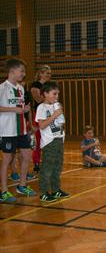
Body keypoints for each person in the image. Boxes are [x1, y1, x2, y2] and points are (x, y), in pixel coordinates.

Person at [0, 58, 37, 202]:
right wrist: (13, 109)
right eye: (21, 71)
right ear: (12, 71)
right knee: (7, 159)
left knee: (27, 156)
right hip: (8, 131)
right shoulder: (2, 88)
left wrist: (24, 110)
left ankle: (22, 186)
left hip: (21, 130)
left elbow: (20, 109)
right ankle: (3, 191)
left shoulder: (21, 89)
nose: (23, 73)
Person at [35, 81, 70, 203]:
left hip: (59, 139)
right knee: (47, 168)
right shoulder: (41, 107)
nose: (56, 96)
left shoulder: (57, 105)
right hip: (49, 142)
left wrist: (58, 114)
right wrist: (55, 115)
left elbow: (61, 123)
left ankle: (55, 190)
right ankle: (44, 192)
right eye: (54, 93)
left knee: (57, 167)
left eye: (57, 94)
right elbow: (42, 125)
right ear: (45, 93)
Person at [30, 65, 52, 173]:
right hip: (39, 115)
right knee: (38, 140)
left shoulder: (49, 86)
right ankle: (36, 162)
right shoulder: (35, 85)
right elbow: (38, 99)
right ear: (41, 74)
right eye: (47, 73)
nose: (49, 75)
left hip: (49, 114)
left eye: (50, 73)